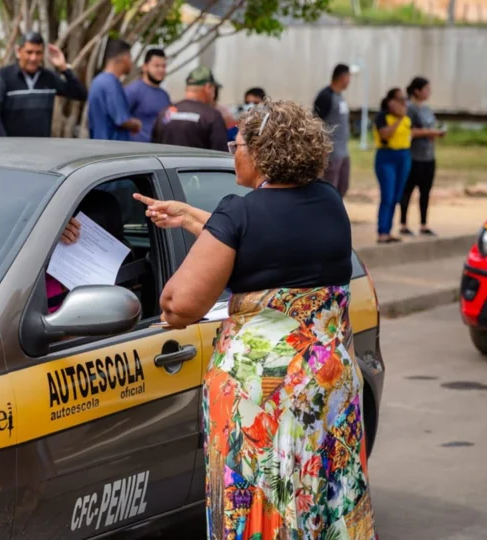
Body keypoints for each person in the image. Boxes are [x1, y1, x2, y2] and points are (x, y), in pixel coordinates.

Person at [134, 100, 376, 540]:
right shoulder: (328, 202)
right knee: (319, 501)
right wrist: (192, 217)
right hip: (328, 389)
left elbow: (179, 304)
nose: (233, 153)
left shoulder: (239, 211)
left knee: (266, 502)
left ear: (263, 151)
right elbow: (267, 240)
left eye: (237, 144)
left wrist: (171, 301)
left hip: (265, 398)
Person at [0, 32, 86, 138]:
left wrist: (64, 68)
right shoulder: (3, 77)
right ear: (19, 51)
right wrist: (5, 142)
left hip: (41, 148)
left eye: (38, 53)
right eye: (29, 52)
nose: (33, 58)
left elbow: (81, 94)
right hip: (12, 149)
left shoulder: (49, 78)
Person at [400, 76, 445, 237]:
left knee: (425, 191)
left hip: (428, 156)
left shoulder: (427, 109)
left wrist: (436, 133)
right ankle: (403, 223)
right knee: (408, 190)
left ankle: (423, 224)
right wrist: (430, 132)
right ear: (417, 91)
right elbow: (409, 131)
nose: (429, 92)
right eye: (426, 89)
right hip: (414, 156)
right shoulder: (410, 109)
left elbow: (431, 126)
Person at [150, 66, 228, 152]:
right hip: (199, 165)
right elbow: (220, 155)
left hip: (167, 165)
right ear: (208, 88)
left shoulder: (165, 113)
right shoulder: (212, 116)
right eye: (214, 89)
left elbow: (154, 148)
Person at [374, 88, 413, 244]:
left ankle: (389, 230)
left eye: (405, 100)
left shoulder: (407, 119)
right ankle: (382, 231)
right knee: (387, 195)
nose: (404, 103)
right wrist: (398, 119)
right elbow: (385, 134)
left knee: (397, 195)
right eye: (400, 100)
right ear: (391, 102)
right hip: (386, 156)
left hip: (403, 156)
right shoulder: (383, 117)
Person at [87, 39, 141, 140]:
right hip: (112, 148)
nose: (131, 62)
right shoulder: (111, 84)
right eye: (130, 58)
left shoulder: (98, 81)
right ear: (125, 58)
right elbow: (122, 120)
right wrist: (136, 124)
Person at [314, 63, 352, 196]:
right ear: (342, 77)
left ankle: (337, 213)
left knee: (342, 187)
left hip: (343, 150)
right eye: (349, 77)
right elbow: (316, 123)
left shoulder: (340, 96)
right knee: (329, 188)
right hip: (331, 151)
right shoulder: (325, 96)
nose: (349, 81)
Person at [124, 48, 171, 143]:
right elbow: (121, 120)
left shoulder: (164, 95)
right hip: (138, 151)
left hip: (160, 150)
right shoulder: (133, 90)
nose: (161, 70)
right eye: (156, 66)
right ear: (145, 67)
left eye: (163, 66)